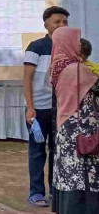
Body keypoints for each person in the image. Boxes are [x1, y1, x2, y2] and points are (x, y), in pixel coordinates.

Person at [49, 27, 99, 213]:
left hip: (66, 130)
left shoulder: (57, 67)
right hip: (82, 130)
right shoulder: (78, 70)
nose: (79, 44)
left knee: (67, 171)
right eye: (76, 41)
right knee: (82, 171)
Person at [24, 6, 69, 207]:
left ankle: (55, 190)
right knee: (37, 151)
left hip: (61, 109)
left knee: (57, 151)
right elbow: (27, 79)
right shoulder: (36, 47)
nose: (61, 25)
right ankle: (36, 192)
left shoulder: (70, 47)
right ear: (46, 25)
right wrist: (30, 107)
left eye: (64, 22)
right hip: (39, 110)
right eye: (56, 22)